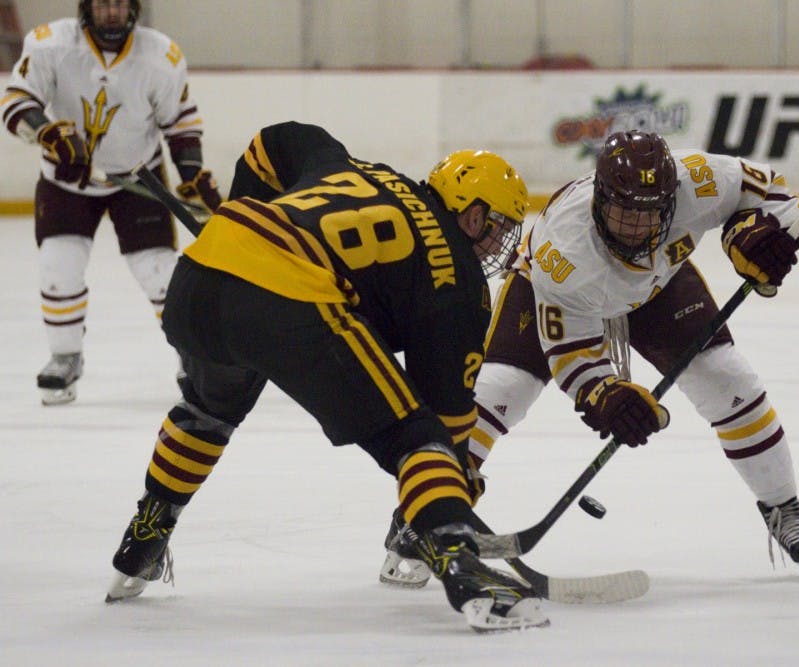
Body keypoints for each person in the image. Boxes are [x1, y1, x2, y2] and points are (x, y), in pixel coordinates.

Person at [103, 120, 550, 633]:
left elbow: (273, 141)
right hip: (289, 298)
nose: (496, 244)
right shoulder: (460, 282)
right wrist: (452, 489)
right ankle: (465, 568)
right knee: (415, 437)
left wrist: (250, 213)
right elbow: (445, 424)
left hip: (200, 275)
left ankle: (142, 541)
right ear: (471, 215)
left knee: (206, 410)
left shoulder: (358, 168)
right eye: (496, 227)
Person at [380, 130, 799, 589]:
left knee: (727, 379)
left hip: (658, 283)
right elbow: (571, 351)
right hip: (552, 292)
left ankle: (783, 506)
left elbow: (770, 190)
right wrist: (605, 395)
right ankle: (420, 516)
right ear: (598, 200)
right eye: (622, 213)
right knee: (498, 392)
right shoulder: (563, 251)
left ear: (673, 199)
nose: (635, 228)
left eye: (648, 215)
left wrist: (753, 234)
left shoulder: (700, 180)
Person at [0, 0, 223, 405]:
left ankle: (193, 358)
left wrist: (190, 172)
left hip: (138, 175)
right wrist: (48, 134)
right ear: (86, 7)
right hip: (66, 179)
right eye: (103, 4)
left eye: (120, 4)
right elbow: (16, 102)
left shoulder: (160, 55)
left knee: (160, 273)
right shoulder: (50, 45)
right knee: (58, 266)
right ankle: (65, 357)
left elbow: (181, 121)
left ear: (133, 8)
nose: (112, 14)